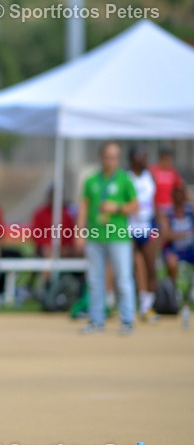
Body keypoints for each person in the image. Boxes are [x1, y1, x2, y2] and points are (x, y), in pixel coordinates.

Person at [77, 142, 138, 334]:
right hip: (96, 235)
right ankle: (97, 320)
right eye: (108, 157)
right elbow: (84, 206)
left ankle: (127, 320)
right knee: (95, 280)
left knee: (123, 279)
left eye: (114, 157)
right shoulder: (92, 180)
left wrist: (117, 208)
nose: (111, 161)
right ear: (101, 157)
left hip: (118, 236)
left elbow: (135, 205)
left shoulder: (124, 179)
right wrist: (79, 231)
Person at [127, 145, 158, 320]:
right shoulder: (126, 177)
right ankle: (133, 303)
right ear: (133, 158)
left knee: (150, 265)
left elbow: (155, 202)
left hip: (147, 226)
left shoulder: (149, 176)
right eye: (142, 156)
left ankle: (147, 306)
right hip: (129, 227)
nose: (146, 159)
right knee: (134, 266)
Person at [161, 183, 194, 281]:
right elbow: (166, 235)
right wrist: (186, 234)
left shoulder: (190, 211)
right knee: (171, 262)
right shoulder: (168, 214)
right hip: (174, 249)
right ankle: (174, 289)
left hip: (190, 248)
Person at [150, 147, 185, 217]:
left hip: (169, 208)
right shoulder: (152, 171)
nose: (169, 162)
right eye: (167, 160)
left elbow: (181, 187)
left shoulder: (173, 172)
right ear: (161, 158)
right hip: (156, 208)